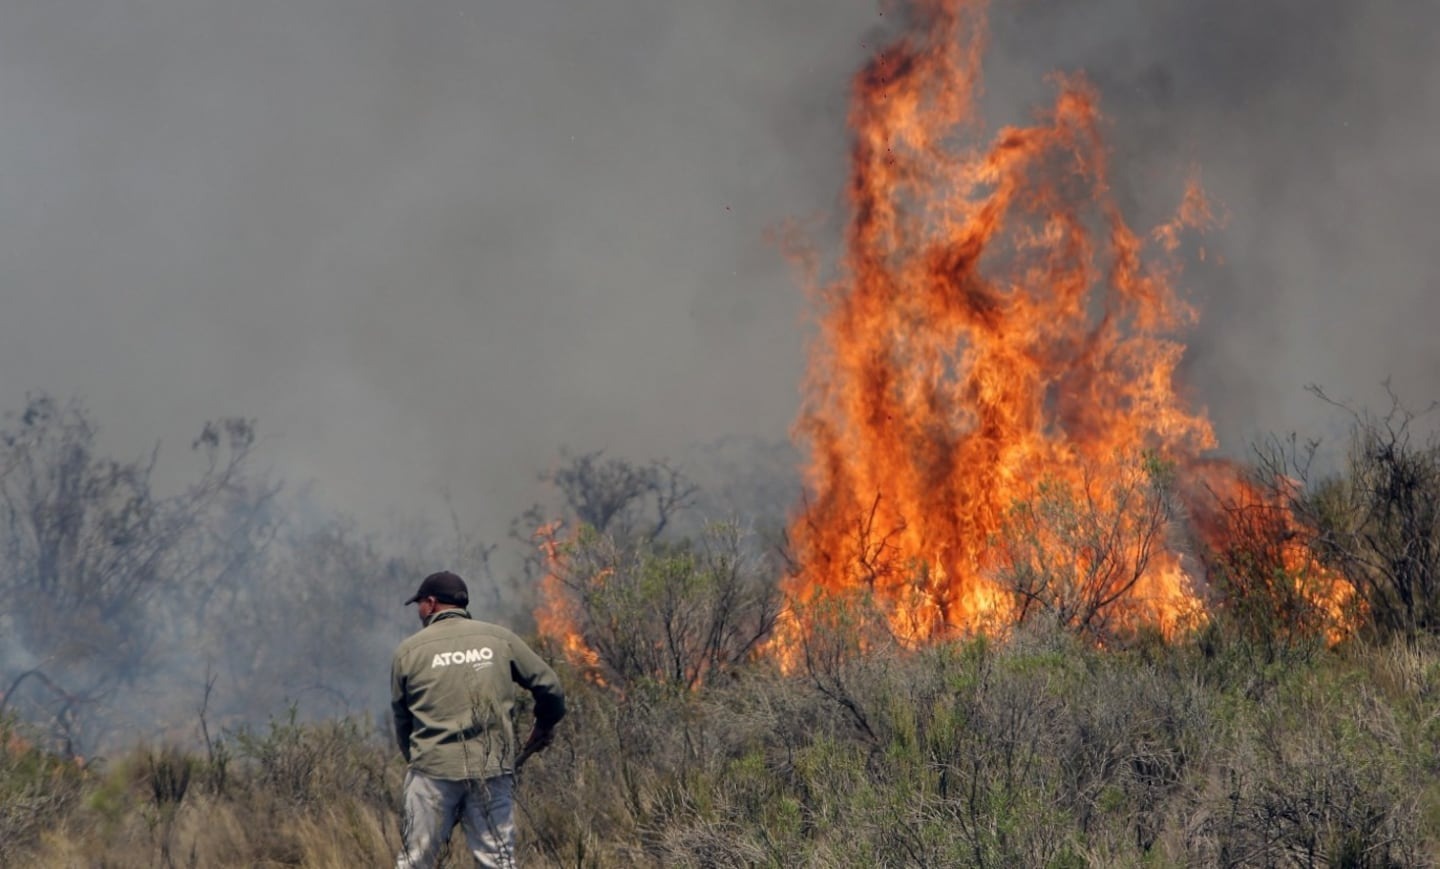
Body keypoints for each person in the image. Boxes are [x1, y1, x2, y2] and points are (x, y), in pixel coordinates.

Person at [391, 570, 566, 869]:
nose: (419, 611)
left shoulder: (409, 651)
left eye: (419, 604)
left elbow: (402, 719)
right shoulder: (499, 639)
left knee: (416, 861)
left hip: (432, 772)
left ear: (431, 604)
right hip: (491, 771)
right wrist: (543, 725)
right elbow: (550, 687)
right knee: (496, 861)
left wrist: (418, 761)